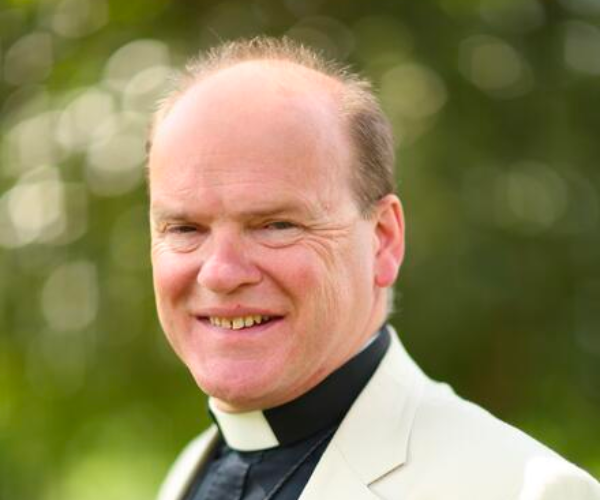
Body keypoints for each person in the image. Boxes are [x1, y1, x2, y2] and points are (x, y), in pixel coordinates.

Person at [148, 37, 600, 500]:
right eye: (184, 229)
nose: (220, 273)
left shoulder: (523, 489)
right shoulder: (189, 472)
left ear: (383, 239)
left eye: (276, 225)